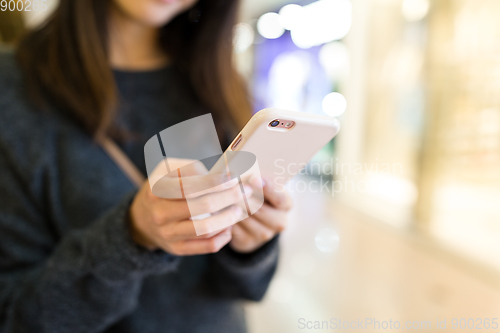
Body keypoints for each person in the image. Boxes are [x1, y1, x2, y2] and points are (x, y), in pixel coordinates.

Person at [0, 0, 292, 332]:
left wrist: (251, 247)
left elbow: (247, 290)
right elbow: (15, 317)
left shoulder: (216, 80)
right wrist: (130, 235)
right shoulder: (12, 91)